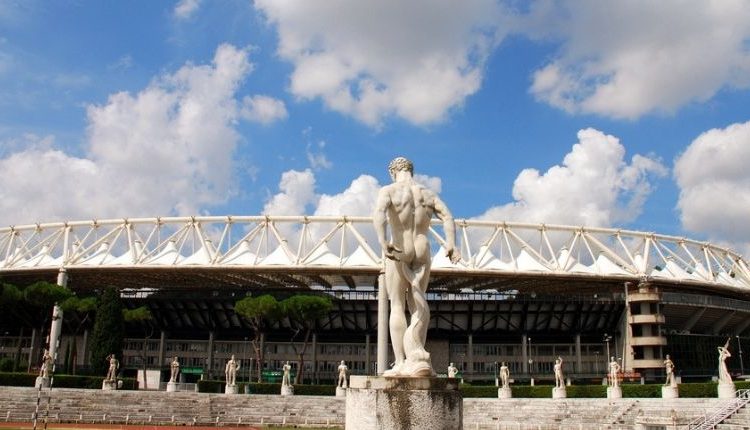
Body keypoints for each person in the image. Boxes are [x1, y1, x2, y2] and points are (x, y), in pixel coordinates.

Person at [373, 157, 460, 377]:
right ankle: (418, 356)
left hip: (400, 248)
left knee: (397, 305)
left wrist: (383, 241)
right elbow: (447, 216)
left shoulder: (389, 190)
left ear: (393, 172)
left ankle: (402, 362)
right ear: (411, 170)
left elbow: (379, 214)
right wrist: (450, 244)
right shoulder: (427, 194)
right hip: (422, 249)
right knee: (418, 304)